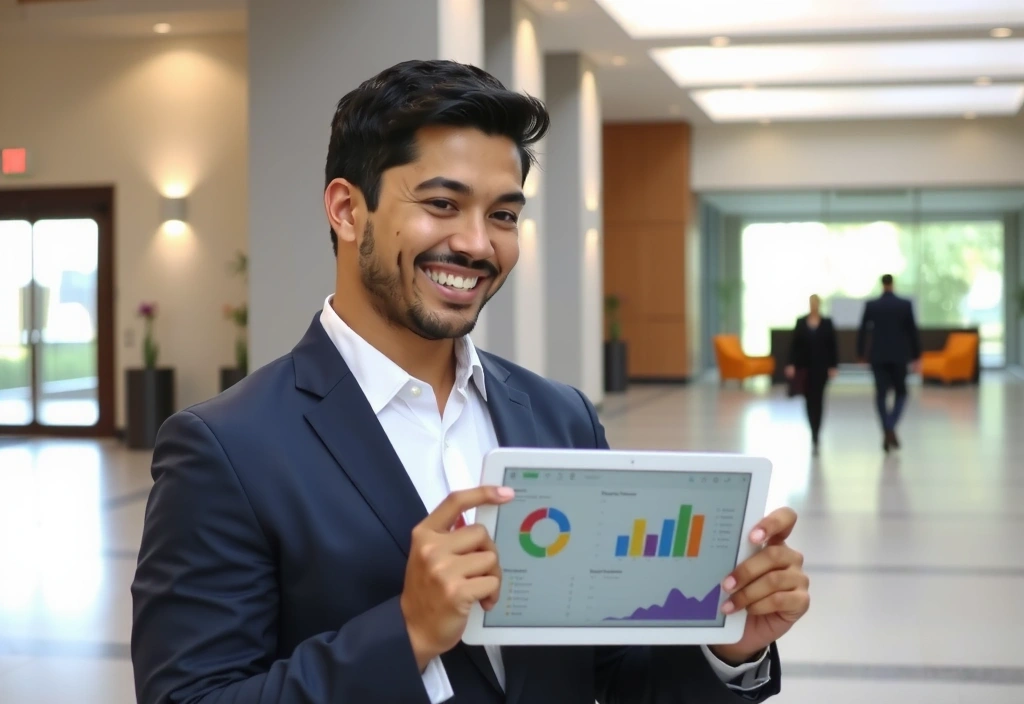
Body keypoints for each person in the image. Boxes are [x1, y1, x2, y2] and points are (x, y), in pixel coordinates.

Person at [131, 59, 810, 704]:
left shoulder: (559, 416)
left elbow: (608, 666)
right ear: (345, 210)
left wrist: (726, 648)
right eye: (442, 203)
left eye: (504, 215)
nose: (478, 245)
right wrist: (408, 633)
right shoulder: (227, 448)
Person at [856, 274, 921, 452]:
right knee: (901, 393)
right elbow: (912, 332)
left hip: (878, 356)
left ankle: (886, 427)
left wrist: (861, 354)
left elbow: (862, 331)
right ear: (892, 284)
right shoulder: (904, 305)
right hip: (900, 356)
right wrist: (916, 357)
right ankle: (891, 425)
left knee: (881, 394)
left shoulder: (872, 305)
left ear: (881, 284)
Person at [785, 295, 838, 455]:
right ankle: (812, 430)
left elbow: (833, 346)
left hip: (821, 368)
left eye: (816, 303)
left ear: (819, 305)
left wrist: (833, 366)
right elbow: (794, 345)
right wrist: (791, 364)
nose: (813, 306)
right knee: (808, 400)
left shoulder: (827, 323)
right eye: (811, 303)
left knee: (819, 399)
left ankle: (817, 432)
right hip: (804, 368)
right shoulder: (801, 322)